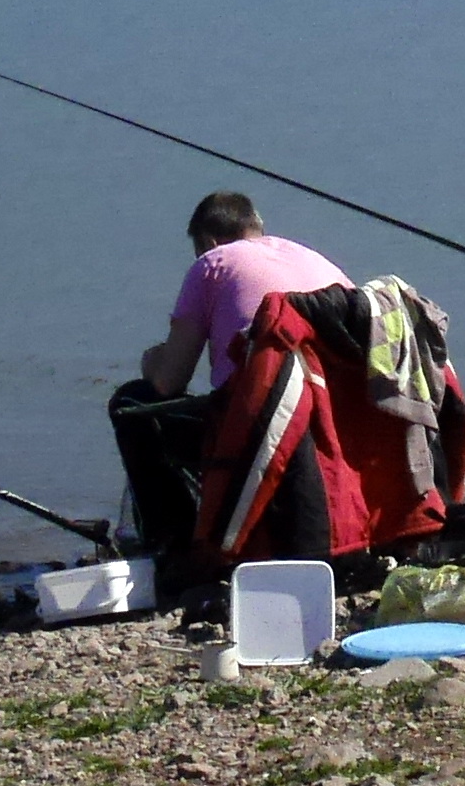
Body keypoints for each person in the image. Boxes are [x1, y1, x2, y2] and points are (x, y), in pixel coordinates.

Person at [107, 189, 349, 574]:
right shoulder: (312, 258)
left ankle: (177, 542)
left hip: (267, 431)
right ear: (257, 227)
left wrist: (152, 360)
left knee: (132, 403)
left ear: (208, 241)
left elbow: (169, 381)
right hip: (338, 420)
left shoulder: (213, 264)